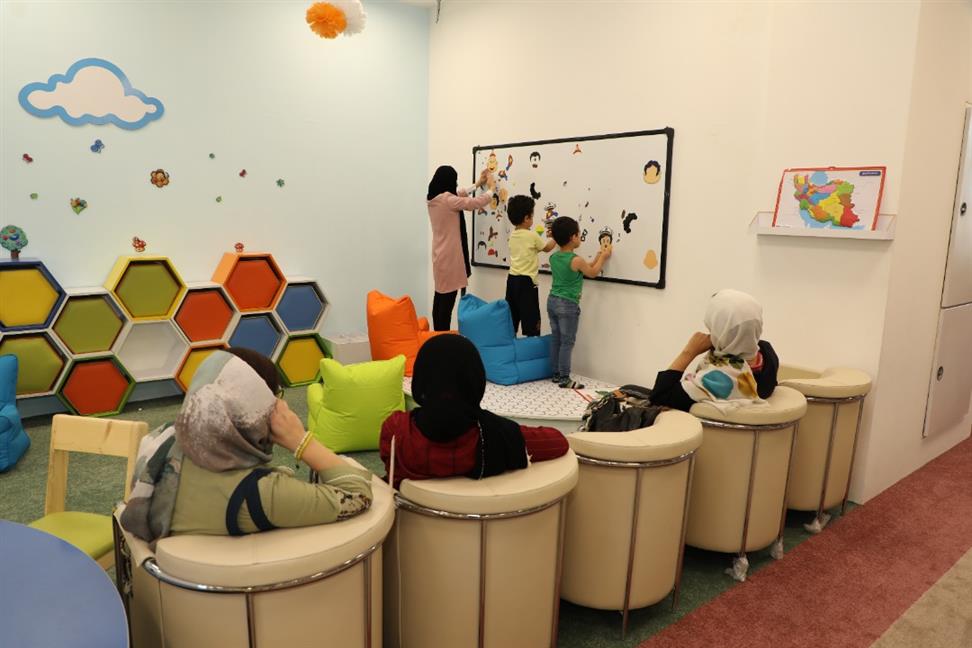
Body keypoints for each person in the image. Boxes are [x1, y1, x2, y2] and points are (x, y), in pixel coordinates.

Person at [120, 348, 373, 544]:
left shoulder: (164, 439)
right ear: (260, 406)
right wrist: (299, 440)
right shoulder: (260, 493)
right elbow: (358, 493)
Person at [379, 334, 569, 488]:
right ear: (475, 382)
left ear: (421, 381)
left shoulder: (394, 431)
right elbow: (558, 442)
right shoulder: (498, 435)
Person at [650, 289, 779, 412]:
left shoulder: (717, 380)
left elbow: (659, 397)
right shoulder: (767, 353)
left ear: (721, 330)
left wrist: (689, 352)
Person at [427, 165, 494, 331]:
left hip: (439, 255)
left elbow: (459, 193)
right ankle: (443, 336)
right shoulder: (448, 200)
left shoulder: (434, 199)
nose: (455, 183)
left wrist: (477, 184)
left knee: (440, 297)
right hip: (450, 257)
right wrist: (491, 189)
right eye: (454, 180)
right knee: (447, 302)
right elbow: (474, 203)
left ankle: (438, 334)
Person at [547, 216, 612, 389]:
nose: (580, 237)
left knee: (556, 339)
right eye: (578, 234)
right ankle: (565, 378)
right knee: (567, 342)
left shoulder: (554, 258)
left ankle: (556, 374)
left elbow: (583, 268)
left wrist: (597, 257)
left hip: (552, 301)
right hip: (567, 304)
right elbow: (592, 272)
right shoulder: (576, 260)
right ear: (572, 237)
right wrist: (604, 257)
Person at [505, 195, 556, 336]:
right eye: (532, 216)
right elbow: (547, 248)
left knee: (512, 319)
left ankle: (511, 344)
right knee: (531, 321)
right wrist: (554, 237)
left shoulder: (513, 235)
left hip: (512, 280)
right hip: (526, 283)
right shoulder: (531, 236)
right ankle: (531, 345)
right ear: (526, 218)